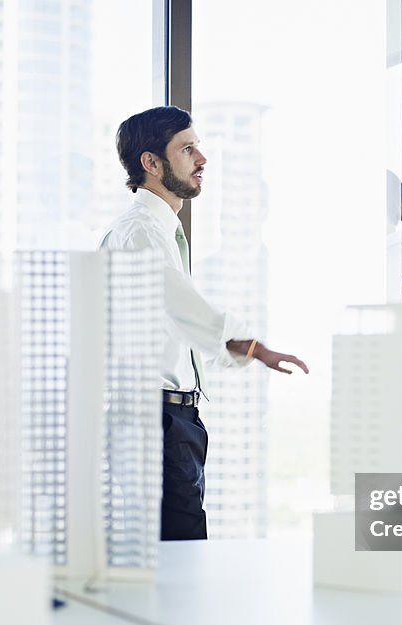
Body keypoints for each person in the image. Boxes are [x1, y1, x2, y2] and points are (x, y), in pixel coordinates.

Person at [102, 106, 308, 541]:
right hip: (151, 420)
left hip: (169, 417)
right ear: (151, 163)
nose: (202, 159)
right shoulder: (141, 232)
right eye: (188, 149)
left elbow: (172, 324)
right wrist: (253, 348)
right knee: (178, 550)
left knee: (176, 545)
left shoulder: (155, 230)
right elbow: (182, 308)